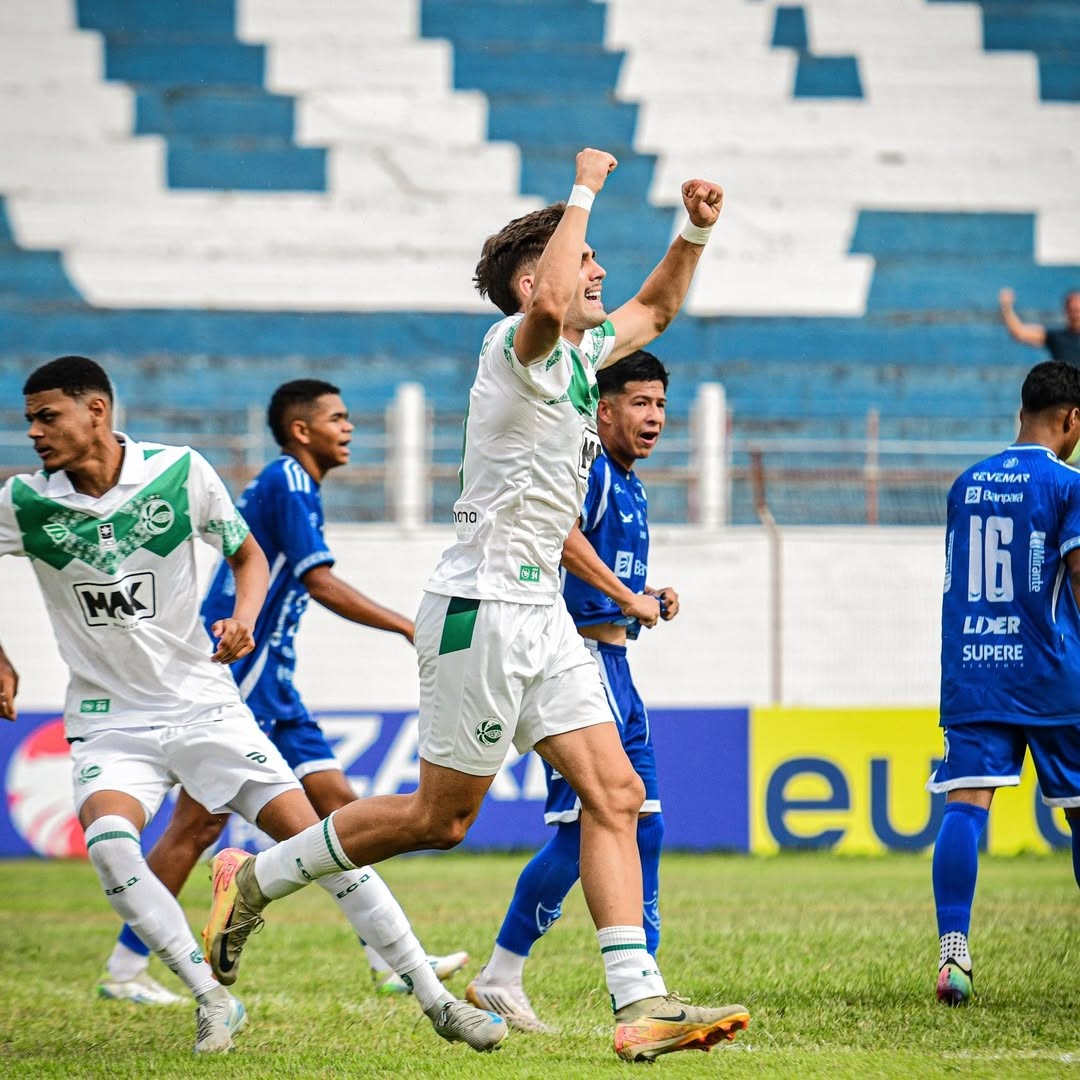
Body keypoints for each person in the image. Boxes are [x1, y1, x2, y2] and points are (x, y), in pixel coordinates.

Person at [202, 147, 750, 1063]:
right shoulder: (513, 347)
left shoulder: (582, 357)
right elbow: (548, 305)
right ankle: (253, 879)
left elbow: (655, 309)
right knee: (440, 820)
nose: (600, 273)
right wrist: (582, 189)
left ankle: (640, 1003)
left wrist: (693, 230)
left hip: (540, 615)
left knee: (616, 793)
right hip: (479, 607)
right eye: (585, 261)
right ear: (535, 282)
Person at [0, 356, 504, 1054]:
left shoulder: (179, 472)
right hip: (111, 724)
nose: (33, 431)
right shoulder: (25, 502)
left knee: (322, 840)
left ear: (96, 411)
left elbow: (247, 555)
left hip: (205, 703)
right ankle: (209, 998)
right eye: (29, 419)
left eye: (45, 416)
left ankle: (435, 998)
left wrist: (244, 617)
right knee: (113, 848)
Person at [98, 379, 467, 1006]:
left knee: (338, 808)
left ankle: (389, 959)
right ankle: (125, 969)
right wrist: (407, 625)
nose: (349, 428)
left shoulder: (297, 485)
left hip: (274, 682)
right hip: (239, 674)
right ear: (301, 430)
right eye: (337, 418)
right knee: (197, 825)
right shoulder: (289, 479)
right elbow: (318, 581)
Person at [465, 349, 677, 1032]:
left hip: (615, 663)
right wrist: (625, 596)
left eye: (661, 404)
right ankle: (510, 973)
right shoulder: (591, 471)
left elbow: (601, 569)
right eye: (640, 403)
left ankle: (635, 982)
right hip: (576, 662)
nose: (655, 416)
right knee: (592, 827)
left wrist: (645, 595)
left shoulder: (629, 482)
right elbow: (557, 533)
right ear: (604, 410)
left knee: (639, 823)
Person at [928, 359, 1080, 1006]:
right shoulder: (1068, 486)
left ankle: (953, 951)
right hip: (1050, 673)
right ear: (1072, 420)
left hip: (975, 669)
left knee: (966, 806)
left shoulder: (967, 483)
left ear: (1022, 413)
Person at [998, 287, 1080, 365]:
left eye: (1078, 310)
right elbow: (1019, 332)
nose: (1076, 315)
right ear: (1066, 310)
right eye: (1073, 310)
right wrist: (1007, 307)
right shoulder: (1057, 337)